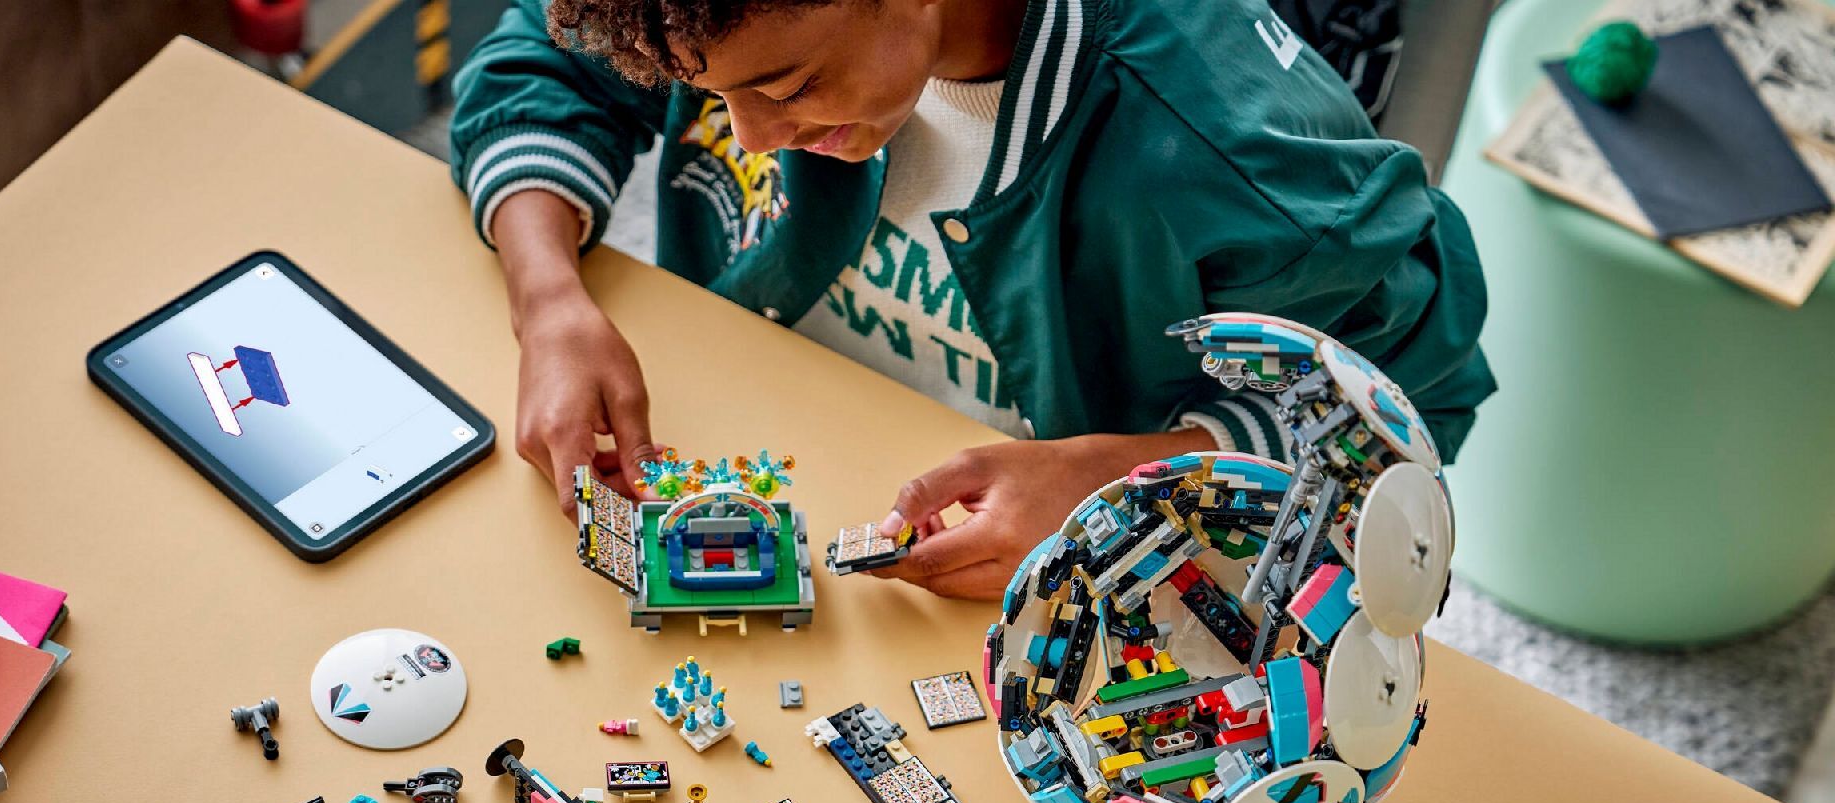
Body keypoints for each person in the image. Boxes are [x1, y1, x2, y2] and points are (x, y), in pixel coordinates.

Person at [450, 0, 1493, 598]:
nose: (750, 135)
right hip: (780, 425)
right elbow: (548, 55)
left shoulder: (1226, 150)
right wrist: (549, 299)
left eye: (789, 85)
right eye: (711, 95)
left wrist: (1127, 477)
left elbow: (1396, 401)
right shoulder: (712, 13)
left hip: (1038, 571)